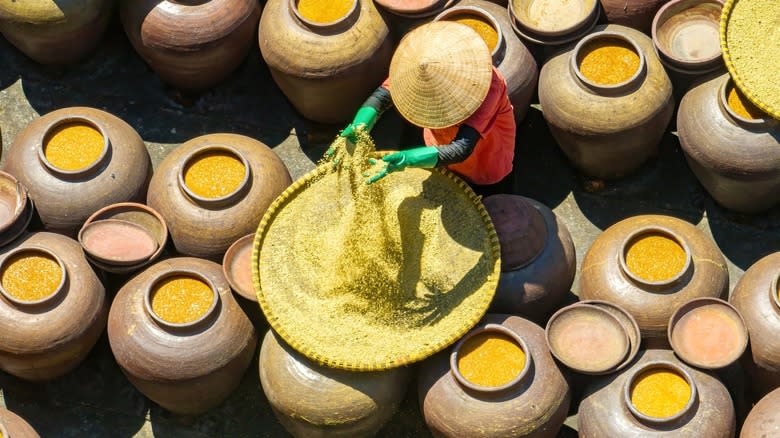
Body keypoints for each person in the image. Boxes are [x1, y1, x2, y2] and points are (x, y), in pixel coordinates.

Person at [339, 21, 516, 189]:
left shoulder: (488, 86)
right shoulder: (419, 66)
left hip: (484, 159)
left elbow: (462, 148)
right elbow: (382, 97)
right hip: (437, 146)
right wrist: (359, 126)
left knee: (485, 201)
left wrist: (407, 159)